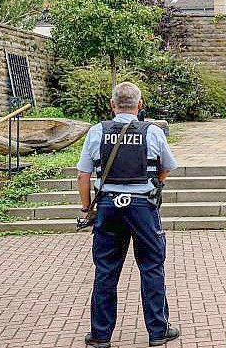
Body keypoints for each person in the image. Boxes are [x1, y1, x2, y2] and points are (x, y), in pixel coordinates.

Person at [77, 82, 180, 348]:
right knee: (151, 267)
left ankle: (100, 335)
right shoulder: (153, 132)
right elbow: (168, 166)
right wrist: (157, 183)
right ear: (140, 105)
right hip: (143, 208)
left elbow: (83, 175)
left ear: (112, 105)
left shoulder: (97, 131)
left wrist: (87, 208)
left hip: (109, 207)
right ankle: (158, 330)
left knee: (106, 271)